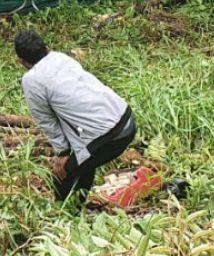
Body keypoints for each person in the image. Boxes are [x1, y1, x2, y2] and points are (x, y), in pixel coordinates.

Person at [15, 30, 137, 206]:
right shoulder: (60, 58)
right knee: (84, 162)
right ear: (46, 48)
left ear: (21, 61)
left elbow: (46, 120)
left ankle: (63, 214)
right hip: (126, 118)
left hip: (109, 136)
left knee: (64, 172)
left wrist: (62, 153)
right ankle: (76, 207)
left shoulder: (32, 80)